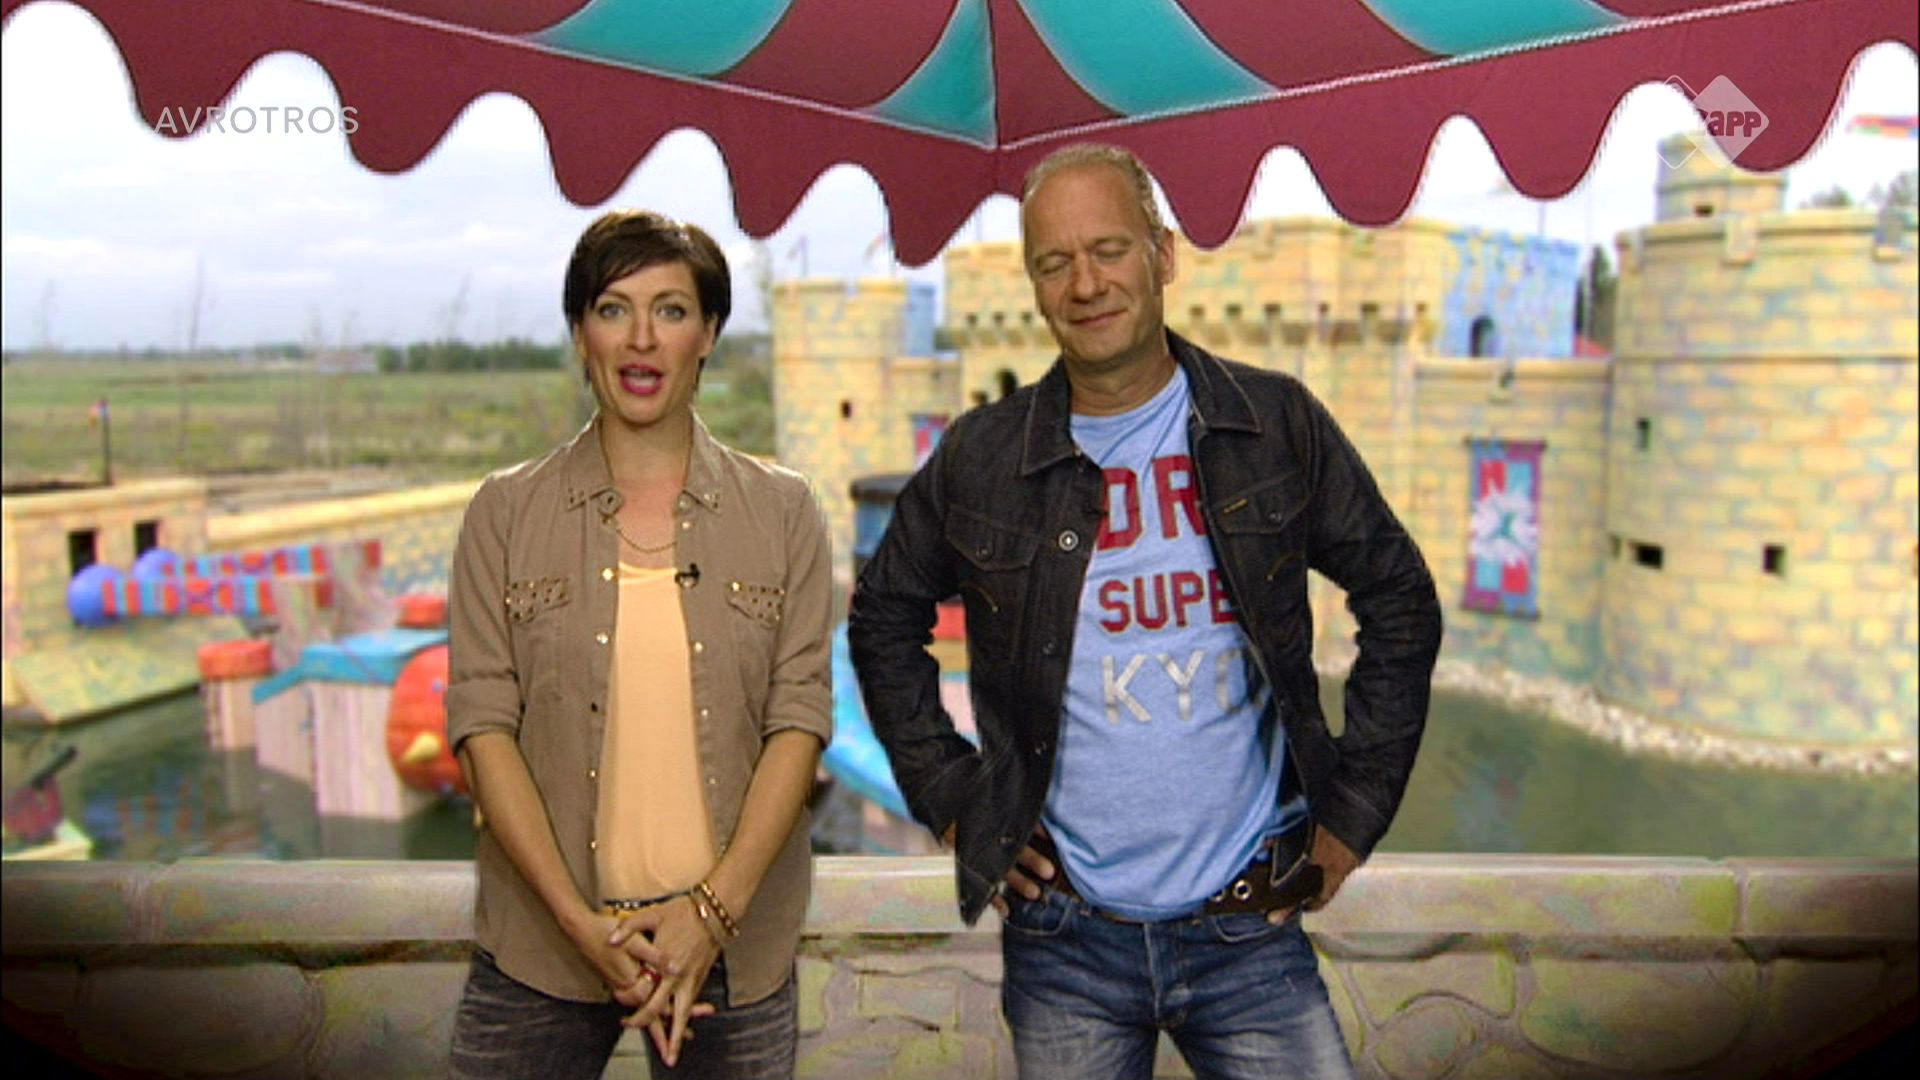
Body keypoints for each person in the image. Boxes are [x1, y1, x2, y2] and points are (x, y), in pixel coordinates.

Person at [848, 144, 1443, 1079]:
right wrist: (957, 800)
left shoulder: (1274, 424)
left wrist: (1354, 810)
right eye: (1055, 262)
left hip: (1251, 920)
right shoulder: (982, 458)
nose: (1086, 284)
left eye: (1109, 250)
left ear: (1162, 254)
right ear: (1034, 286)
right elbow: (883, 616)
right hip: (1064, 935)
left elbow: (1398, 595)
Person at [446, 210, 832, 1079]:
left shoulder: (784, 513)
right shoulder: (504, 514)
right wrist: (578, 924)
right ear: (580, 333)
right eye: (614, 309)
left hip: (732, 952)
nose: (642, 339)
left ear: (710, 334)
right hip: (540, 949)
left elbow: (799, 720)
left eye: (672, 310)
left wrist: (711, 914)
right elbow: (482, 725)